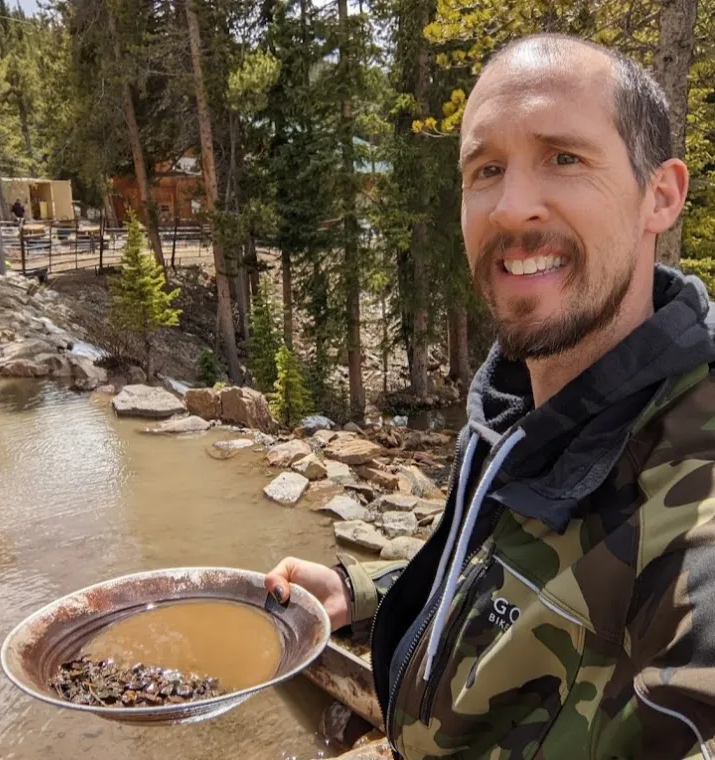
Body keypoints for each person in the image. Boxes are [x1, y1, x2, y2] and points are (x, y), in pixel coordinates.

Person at [265, 33, 715, 760]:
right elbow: (512, 564)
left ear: (659, 195)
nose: (511, 208)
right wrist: (366, 593)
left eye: (563, 158)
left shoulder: (693, 496)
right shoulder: (514, 406)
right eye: (486, 169)